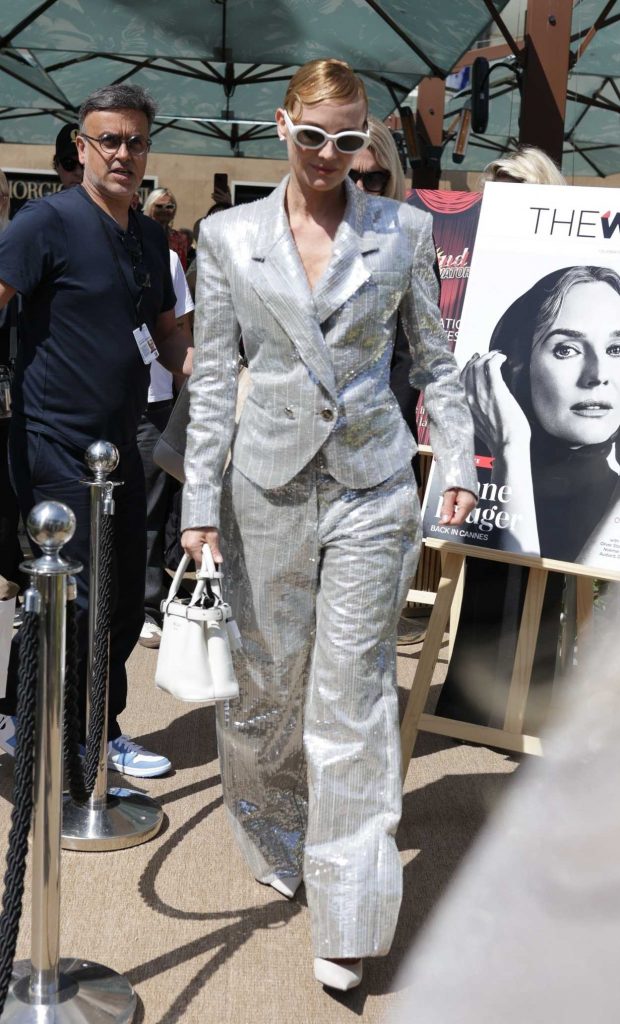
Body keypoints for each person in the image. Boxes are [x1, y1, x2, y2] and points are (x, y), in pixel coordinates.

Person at [181, 58, 477, 991]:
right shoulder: (228, 237)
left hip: (368, 488)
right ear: (282, 127)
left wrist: (459, 459)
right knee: (266, 695)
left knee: (349, 702)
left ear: (367, 140)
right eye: (312, 137)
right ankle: (276, 829)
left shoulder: (403, 232)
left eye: (348, 140)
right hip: (262, 488)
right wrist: (196, 505)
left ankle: (349, 915)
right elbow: (214, 381)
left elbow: (435, 361)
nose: (328, 156)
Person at [0, 84, 192, 775]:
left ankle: (85, 725)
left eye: (134, 140)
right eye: (107, 139)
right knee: (71, 595)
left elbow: (165, 334)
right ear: (80, 147)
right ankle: (53, 729)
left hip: (124, 442)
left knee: (116, 600)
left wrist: (214, 372)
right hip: (54, 442)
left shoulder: (146, 236)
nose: (121, 152)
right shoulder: (43, 224)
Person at [435, 146, 568, 731]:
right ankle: (471, 700)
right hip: (491, 425)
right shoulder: (486, 256)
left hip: (563, 446)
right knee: (487, 560)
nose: (504, 203)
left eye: (518, 190)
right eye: (498, 193)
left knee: (550, 572)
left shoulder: (576, 262)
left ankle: (531, 704)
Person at [464, 265, 620, 562]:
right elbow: (509, 597)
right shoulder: (461, 484)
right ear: (516, 366)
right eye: (567, 349)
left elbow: (588, 608)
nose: (598, 374)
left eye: (616, 349)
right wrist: (510, 448)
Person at [350, 115, 423, 643]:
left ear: (391, 180)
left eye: (373, 177)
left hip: (376, 451)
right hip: (298, 456)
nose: (359, 187)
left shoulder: (411, 244)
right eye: (349, 174)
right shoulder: (291, 240)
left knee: (363, 617)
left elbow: (417, 359)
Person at [137, 250, 193, 648]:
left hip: (153, 401)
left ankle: (145, 606)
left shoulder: (165, 256)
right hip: (89, 404)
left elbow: (178, 329)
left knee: (150, 513)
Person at [143, 187, 189, 270]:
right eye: (159, 206)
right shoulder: (139, 234)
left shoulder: (180, 239)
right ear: (150, 207)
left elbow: (181, 270)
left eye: (169, 206)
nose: (164, 210)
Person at [52, 123, 84, 189]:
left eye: (84, 165)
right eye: (69, 164)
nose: (79, 172)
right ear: (56, 164)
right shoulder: (47, 200)